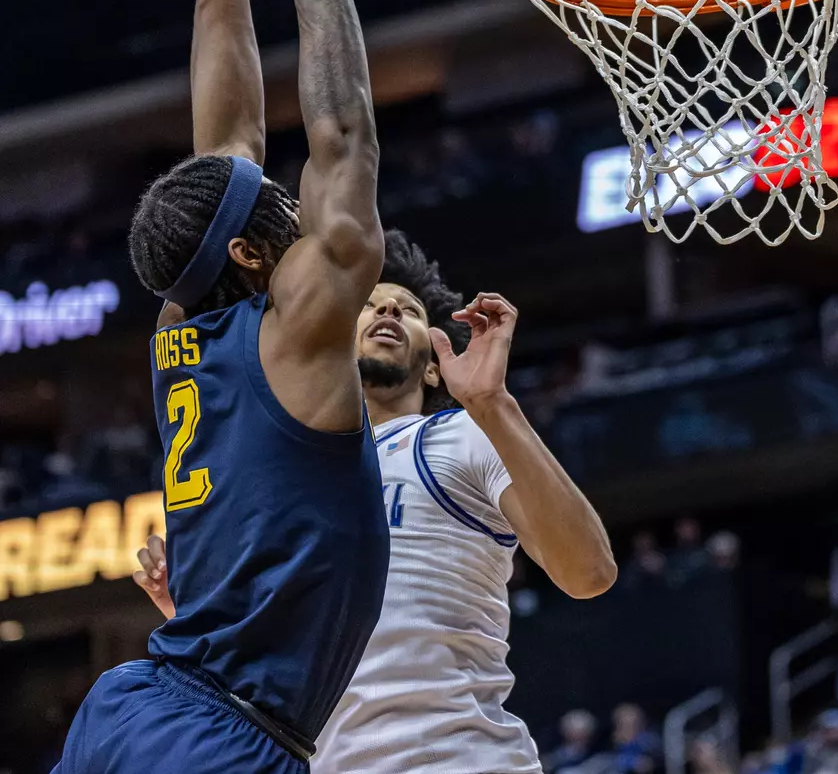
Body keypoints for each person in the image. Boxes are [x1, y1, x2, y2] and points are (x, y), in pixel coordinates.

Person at [55, 0, 389, 773]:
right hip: (221, 735)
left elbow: (227, 151)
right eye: (276, 206)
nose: (293, 199)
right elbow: (346, 144)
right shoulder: (299, 329)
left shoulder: (183, 318)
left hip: (131, 707)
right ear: (250, 255)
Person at [135, 244, 618, 773]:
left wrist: (492, 402)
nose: (388, 311)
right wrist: (188, 612)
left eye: (408, 310)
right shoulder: (285, 473)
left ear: (434, 370)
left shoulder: (460, 434)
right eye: (369, 304)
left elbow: (589, 573)